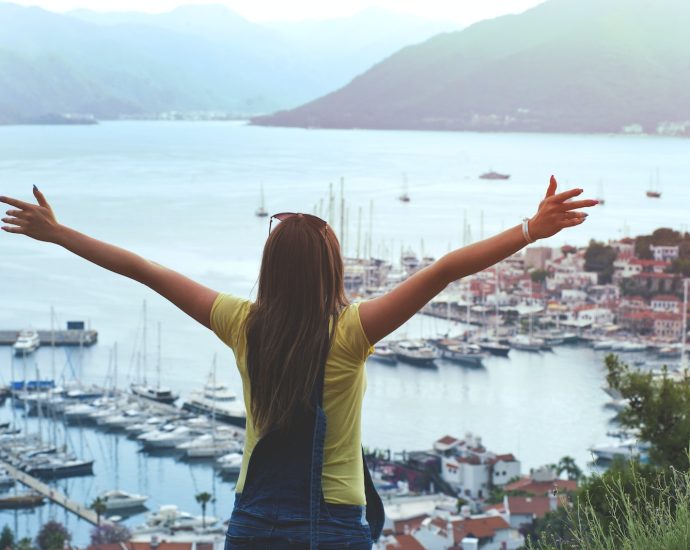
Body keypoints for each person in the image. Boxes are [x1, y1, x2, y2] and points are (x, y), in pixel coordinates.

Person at [0, 177, 597, 548]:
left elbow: (145, 270)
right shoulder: (352, 332)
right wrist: (528, 229)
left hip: (253, 521)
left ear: (272, 269)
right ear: (331, 270)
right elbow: (443, 269)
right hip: (333, 525)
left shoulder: (241, 323)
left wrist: (59, 234)